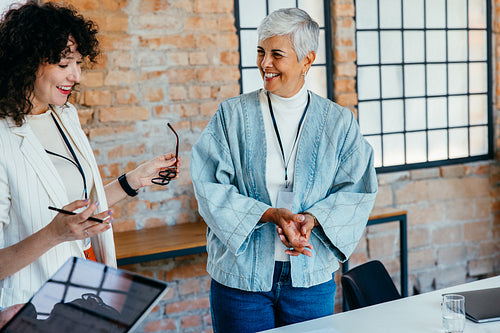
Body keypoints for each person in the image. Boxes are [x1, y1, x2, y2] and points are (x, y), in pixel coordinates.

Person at [191, 7, 378, 332]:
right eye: (261, 52)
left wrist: (313, 218)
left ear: (307, 59)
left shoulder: (339, 122)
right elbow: (208, 185)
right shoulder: (230, 116)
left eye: (277, 54)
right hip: (241, 280)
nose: (265, 64)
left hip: (310, 279)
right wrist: (269, 214)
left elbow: (358, 189)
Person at [0, 1, 179, 309]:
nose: (77, 76)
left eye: (79, 64)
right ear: (27, 62)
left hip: (81, 296)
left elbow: (77, 211)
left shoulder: (64, 116)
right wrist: (53, 235)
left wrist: (133, 180)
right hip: (26, 307)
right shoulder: (3, 138)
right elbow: (61, 229)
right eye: (64, 64)